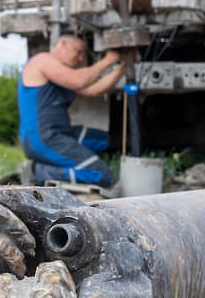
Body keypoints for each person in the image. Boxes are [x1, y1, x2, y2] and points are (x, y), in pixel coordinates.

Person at [18, 35, 127, 188]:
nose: (81, 58)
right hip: (43, 138)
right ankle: (38, 172)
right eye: (78, 52)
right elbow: (79, 80)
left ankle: (72, 164)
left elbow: (95, 90)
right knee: (102, 175)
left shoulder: (59, 76)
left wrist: (124, 66)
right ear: (63, 44)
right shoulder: (43, 60)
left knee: (101, 139)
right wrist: (108, 61)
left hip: (59, 134)